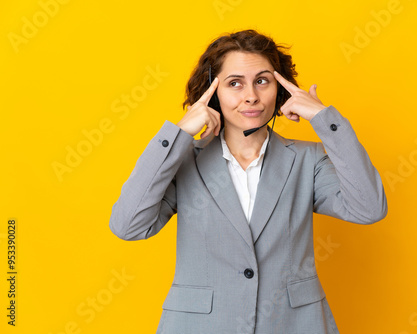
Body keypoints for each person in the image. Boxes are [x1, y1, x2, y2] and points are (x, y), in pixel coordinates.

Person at [109, 29, 388, 334]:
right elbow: (129, 226)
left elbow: (369, 208)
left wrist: (327, 120)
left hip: (293, 325)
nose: (251, 95)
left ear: (279, 88)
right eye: (234, 83)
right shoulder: (184, 160)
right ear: (213, 93)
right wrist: (178, 134)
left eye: (262, 81)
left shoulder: (309, 160)